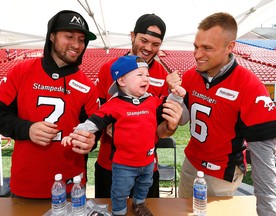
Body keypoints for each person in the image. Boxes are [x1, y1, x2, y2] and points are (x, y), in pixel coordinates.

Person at [178, 12, 276, 216]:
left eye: (207, 48)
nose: (197, 54)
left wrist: (268, 211)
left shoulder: (250, 86)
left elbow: (264, 158)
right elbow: (183, 119)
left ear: (230, 47)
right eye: (196, 46)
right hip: (190, 163)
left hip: (221, 174)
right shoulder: (190, 77)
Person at [62, 55, 188, 216]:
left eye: (147, 75)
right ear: (122, 81)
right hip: (123, 164)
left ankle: (139, 204)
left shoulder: (151, 100)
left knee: (145, 185)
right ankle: (119, 211)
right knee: (120, 190)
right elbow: (94, 122)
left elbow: (166, 105)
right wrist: (75, 133)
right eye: (140, 75)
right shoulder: (114, 105)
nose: (146, 79)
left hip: (148, 161)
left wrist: (176, 95)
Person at [0, 10, 99, 198]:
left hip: (72, 186)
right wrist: (27, 129)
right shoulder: (20, 72)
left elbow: (94, 128)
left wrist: (91, 141)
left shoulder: (87, 85)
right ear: (52, 36)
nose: (76, 45)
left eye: (81, 39)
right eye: (69, 36)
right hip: (26, 185)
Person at [94, 13, 182, 198]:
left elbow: (162, 130)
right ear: (132, 36)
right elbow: (98, 115)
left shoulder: (162, 76)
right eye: (144, 40)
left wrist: (170, 126)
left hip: (147, 165)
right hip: (110, 165)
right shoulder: (109, 69)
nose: (149, 48)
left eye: (156, 44)